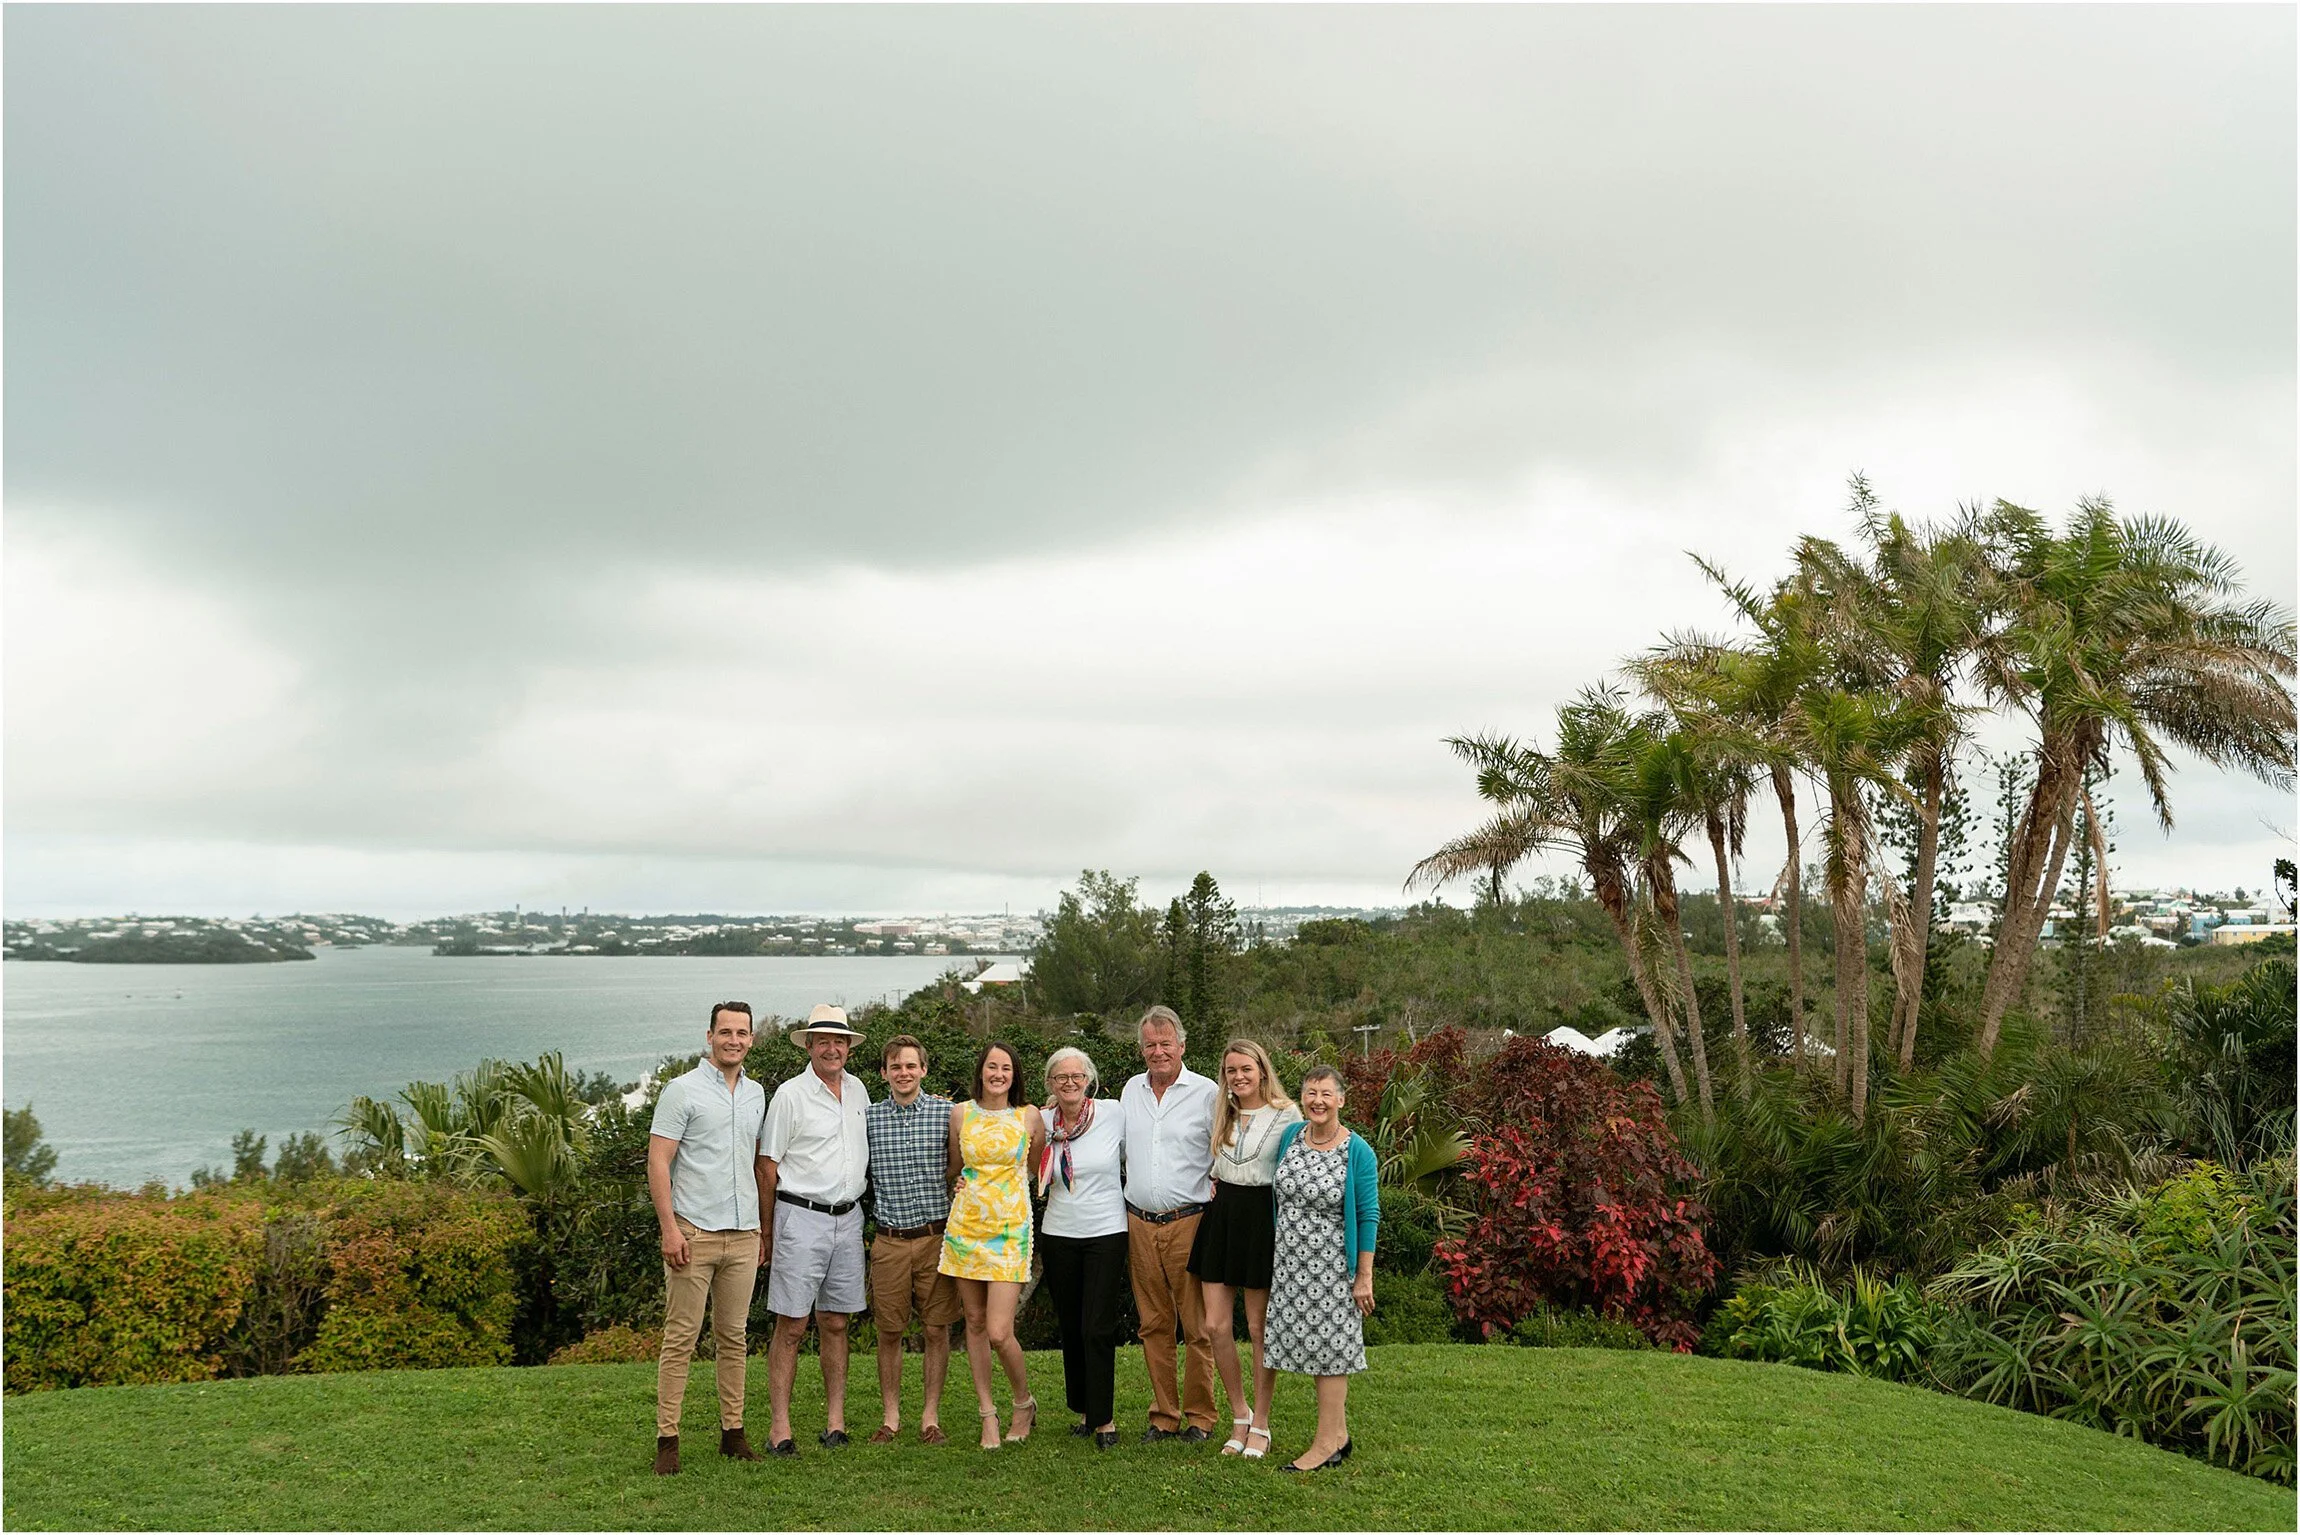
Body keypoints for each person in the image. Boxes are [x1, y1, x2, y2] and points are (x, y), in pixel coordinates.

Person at [645, 1001, 770, 1475]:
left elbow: (757, 1163)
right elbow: (659, 1162)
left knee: (733, 1338)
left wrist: (762, 1230)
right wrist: (669, 1229)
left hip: (742, 1237)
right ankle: (668, 1440)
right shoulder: (682, 1091)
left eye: (742, 1033)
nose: (733, 1040)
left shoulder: (757, 1093)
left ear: (752, 1039)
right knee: (680, 1339)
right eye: (725, 1032)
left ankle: (733, 1434)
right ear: (709, 1036)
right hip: (692, 1234)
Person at [758, 1003, 872, 1456]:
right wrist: (768, 1231)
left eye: (839, 1040)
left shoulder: (860, 1091)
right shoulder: (790, 1094)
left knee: (836, 1322)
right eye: (822, 1040)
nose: (831, 1048)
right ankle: (779, 1429)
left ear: (849, 1047)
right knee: (791, 1324)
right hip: (799, 1218)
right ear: (808, 1045)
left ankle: (835, 1423)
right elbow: (767, 1166)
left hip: (849, 1219)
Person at [1187, 1038, 1302, 1459]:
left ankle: (1263, 1423)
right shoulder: (1221, 1111)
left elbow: (1294, 1171)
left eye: (1245, 1069)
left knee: (1258, 1329)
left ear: (1262, 1070)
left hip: (1260, 1220)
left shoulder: (1287, 1114)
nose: (1238, 1077)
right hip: (1221, 1217)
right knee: (1216, 1325)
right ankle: (1240, 1414)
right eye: (1231, 1070)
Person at [1266, 1063, 1379, 1473]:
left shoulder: (1357, 1150)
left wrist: (1362, 1277)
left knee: (1331, 1354)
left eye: (1326, 1094)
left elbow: (1368, 1215)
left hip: (1333, 1270)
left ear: (1341, 1100)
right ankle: (1341, 1434)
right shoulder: (1290, 1138)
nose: (1317, 1101)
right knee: (1313, 1350)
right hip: (1291, 1267)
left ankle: (1326, 1443)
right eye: (1311, 1093)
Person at [1119, 1004, 1220, 1443]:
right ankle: (1164, 1415)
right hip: (1139, 1223)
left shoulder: (1207, 1093)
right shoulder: (1129, 1091)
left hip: (1190, 1222)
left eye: (1166, 1043)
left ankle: (1200, 1416)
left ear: (1182, 1045)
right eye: (1150, 1044)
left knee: (1197, 1326)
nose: (1158, 1051)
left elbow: (1226, 1152)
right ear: (1141, 1049)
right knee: (1153, 1324)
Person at [939, 1040, 1044, 1450]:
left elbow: (1036, 1171)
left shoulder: (1029, 1116)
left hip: (1010, 1232)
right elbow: (954, 1167)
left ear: (1014, 1075)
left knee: (1000, 1331)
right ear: (980, 1071)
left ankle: (1023, 1402)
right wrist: (959, 1182)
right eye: (991, 1067)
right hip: (966, 1229)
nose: (998, 1074)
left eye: (1006, 1068)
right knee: (975, 1325)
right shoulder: (960, 1113)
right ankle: (987, 1414)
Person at [863, 1033, 961, 1445]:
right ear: (884, 1073)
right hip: (888, 1241)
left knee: (937, 1329)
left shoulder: (948, 1113)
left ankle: (930, 1418)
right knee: (889, 1330)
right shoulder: (867, 1118)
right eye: (895, 1067)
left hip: (935, 1239)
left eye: (911, 1065)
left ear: (923, 1069)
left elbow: (972, 1155)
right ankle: (891, 1418)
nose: (904, 1073)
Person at [1035, 1045, 1128, 1450]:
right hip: (1059, 1233)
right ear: (1051, 1085)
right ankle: (1085, 1411)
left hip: (1106, 1231)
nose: (1070, 1083)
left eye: (1077, 1076)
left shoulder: (1113, 1113)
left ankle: (1105, 1420)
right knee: (1071, 1326)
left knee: (1098, 1326)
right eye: (1061, 1078)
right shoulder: (1039, 1121)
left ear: (1088, 1079)